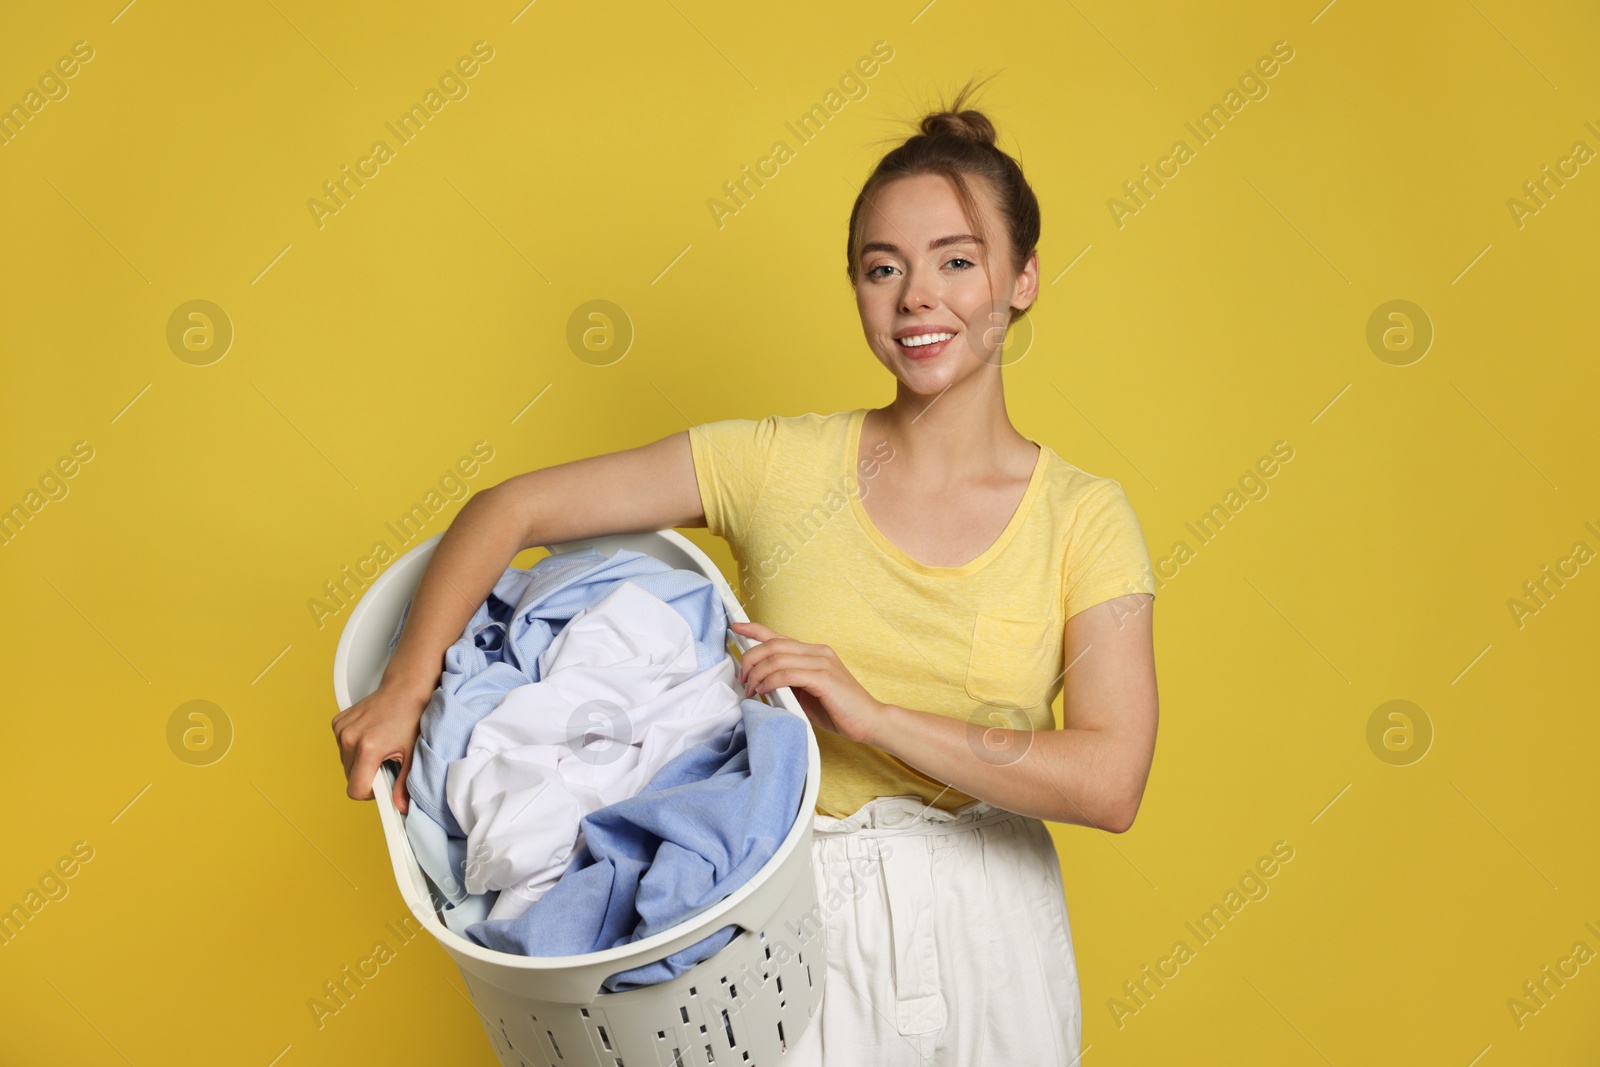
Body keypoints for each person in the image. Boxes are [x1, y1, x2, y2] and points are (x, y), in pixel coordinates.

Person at [332, 76, 1158, 1065]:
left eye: (956, 260)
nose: (917, 298)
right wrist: (405, 683)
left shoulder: (1083, 517)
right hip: (789, 913)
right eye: (881, 268)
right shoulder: (773, 465)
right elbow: (513, 508)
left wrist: (874, 714)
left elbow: (1110, 778)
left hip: (993, 920)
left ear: (1021, 277)